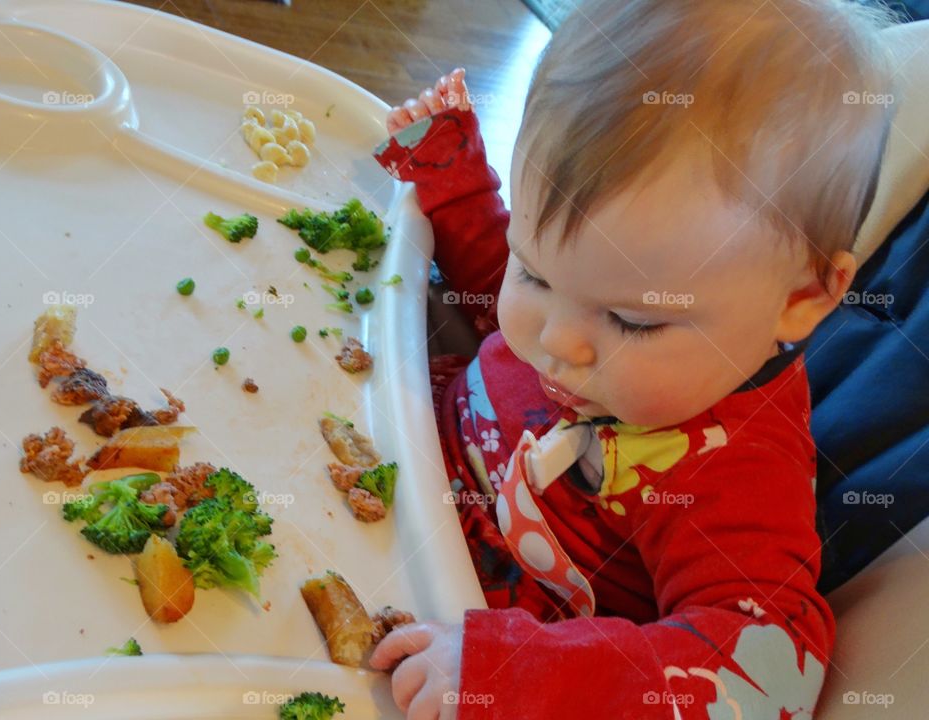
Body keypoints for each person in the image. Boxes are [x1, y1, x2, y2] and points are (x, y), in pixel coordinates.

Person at [367, 1, 898, 717]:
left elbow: (767, 665)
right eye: (536, 274)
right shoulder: (583, 305)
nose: (558, 341)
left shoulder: (737, 469)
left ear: (802, 298)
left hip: (439, 623)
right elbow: (496, 292)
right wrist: (460, 190)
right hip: (378, 446)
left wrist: (519, 671)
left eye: (631, 321)